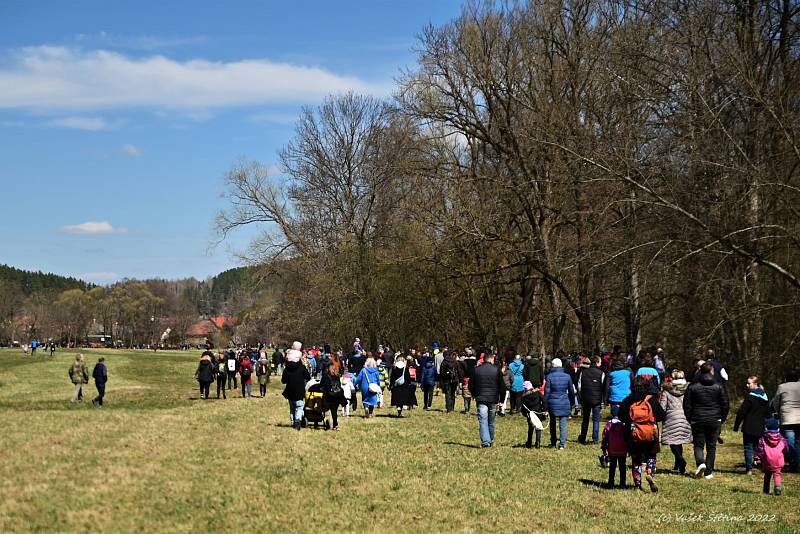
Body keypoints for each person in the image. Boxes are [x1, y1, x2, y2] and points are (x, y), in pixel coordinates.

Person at [620, 376, 666, 492]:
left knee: (636, 458)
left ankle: (638, 482)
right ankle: (650, 472)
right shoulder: (651, 400)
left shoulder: (628, 400)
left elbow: (621, 416)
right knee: (651, 455)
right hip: (650, 433)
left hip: (633, 434)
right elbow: (661, 416)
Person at [683, 362, 729, 479]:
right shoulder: (719, 386)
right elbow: (725, 404)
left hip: (697, 419)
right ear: (711, 371)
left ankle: (700, 463)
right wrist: (721, 418)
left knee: (698, 445)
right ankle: (708, 472)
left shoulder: (692, 386)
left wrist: (690, 418)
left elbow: (686, 405)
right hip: (714, 419)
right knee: (711, 446)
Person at [733, 376, 770, 475]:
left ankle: (749, 469)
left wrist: (736, 425)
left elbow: (742, 412)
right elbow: (768, 413)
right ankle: (764, 465)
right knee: (759, 447)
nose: (747, 385)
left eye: (749, 383)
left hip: (749, 426)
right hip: (760, 426)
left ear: (755, 384)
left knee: (748, 447)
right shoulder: (765, 397)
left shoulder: (750, 397)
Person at [469, 352, 505, 448]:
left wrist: (474, 394)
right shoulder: (497, 370)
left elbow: (470, 384)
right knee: (491, 421)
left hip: (480, 398)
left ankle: (485, 440)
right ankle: (491, 439)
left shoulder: (476, 370)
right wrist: (502, 400)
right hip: (493, 398)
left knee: (483, 420)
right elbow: (502, 386)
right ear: (491, 359)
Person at [659, 370, 692, 474]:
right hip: (684, 417)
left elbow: (662, 407)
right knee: (679, 440)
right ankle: (678, 464)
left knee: (673, 441)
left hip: (671, 418)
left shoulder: (667, 391)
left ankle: (680, 460)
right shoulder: (688, 390)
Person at [771, 368, 800, 473]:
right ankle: (796, 462)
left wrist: (778, 412)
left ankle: (794, 462)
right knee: (798, 442)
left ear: (786, 377)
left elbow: (775, 402)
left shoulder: (782, 387)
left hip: (787, 418)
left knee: (789, 442)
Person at [545, 358, 576, 450]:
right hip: (564, 401)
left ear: (553, 365)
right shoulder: (567, 376)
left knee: (552, 423)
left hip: (552, 401)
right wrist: (572, 402)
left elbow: (547, 392)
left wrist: (545, 403)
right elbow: (571, 391)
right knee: (563, 424)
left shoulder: (549, 376)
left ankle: (553, 441)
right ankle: (562, 444)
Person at [756, 418, 790, 496]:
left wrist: (757, 457)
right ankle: (777, 487)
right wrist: (786, 455)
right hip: (779, 461)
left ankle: (766, 490)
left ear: (766, 428)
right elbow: (786, 448)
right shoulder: (781, 438)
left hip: (767, 461)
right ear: (778, 428)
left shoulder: (763, 438)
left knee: (767, 475)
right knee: (777, 474)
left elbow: (760, 449)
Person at [282, 343, 311, 429]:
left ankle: (293, 422)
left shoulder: (287, 368)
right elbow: (308, 377)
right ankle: (298, 419)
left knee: (292, 407)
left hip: (290, 391)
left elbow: (283, 381)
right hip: (299, 390)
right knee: (299, 407)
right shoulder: (301, 368)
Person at [578, 356, 605, 445]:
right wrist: (602, 400)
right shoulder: (601, 373)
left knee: (585, 420)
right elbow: (603, 387)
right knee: (596, 420)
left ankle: (582, 437)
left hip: (586, 399)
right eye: (600, 362)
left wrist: (581, 396)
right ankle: (595, 439)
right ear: (597, 362)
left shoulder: (583, 372)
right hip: (597, 400)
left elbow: (579, 386)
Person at [601, 406, 628, 488]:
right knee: (622, 466)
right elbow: (627, 436)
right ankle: (622, 484)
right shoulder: (624, 423)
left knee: (612, 467)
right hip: (622, 449)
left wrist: (604, 447)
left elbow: (605, 436)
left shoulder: (609, 423)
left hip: (612, 449)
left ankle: (610, 483)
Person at [520, 380, 546, 449]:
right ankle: (538, 443)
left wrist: (525, 414)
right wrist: (545, 410)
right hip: (538, 412)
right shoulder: (538, 393)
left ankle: (529, 442)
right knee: (538, 428)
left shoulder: (524, 397)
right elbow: (544, 400)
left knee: (530, 429)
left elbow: (523, 408)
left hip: (530, 414)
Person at [320, 358, 344, 430]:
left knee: (333, 410)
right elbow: (339, 385)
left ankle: (335, 425)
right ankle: (335, 424)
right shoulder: (337, 375)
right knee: (334, 411)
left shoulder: (325, 376)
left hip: (329, 396)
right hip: (337, 395)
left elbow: (321, 385)